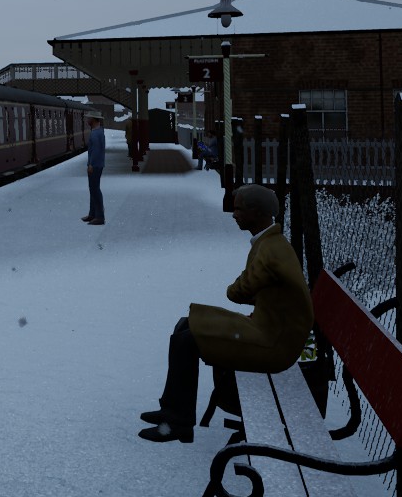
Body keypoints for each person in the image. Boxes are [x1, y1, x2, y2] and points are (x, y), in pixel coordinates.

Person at [138, 183, 312, 443]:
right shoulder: (270, 242)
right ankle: (171, 408)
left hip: (273, 345)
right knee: (186, 325)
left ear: (257, 212)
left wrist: (241, 287)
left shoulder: (270, 250)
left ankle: (179, 422)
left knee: (187, 341)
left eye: (239, 209)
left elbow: (239, 291)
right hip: (268, 329)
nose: (234, 214)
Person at [81, 118, 107, 225]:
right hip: (97, 164)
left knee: (95, 190)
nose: (87, 120)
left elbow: (95, 150)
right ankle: (92, 214)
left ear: (94, 120)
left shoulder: (95, 133)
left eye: (89, 118)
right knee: (93, 189)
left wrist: (91, 164)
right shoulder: (99, 131)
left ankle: (99, 216)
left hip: (95, 165)